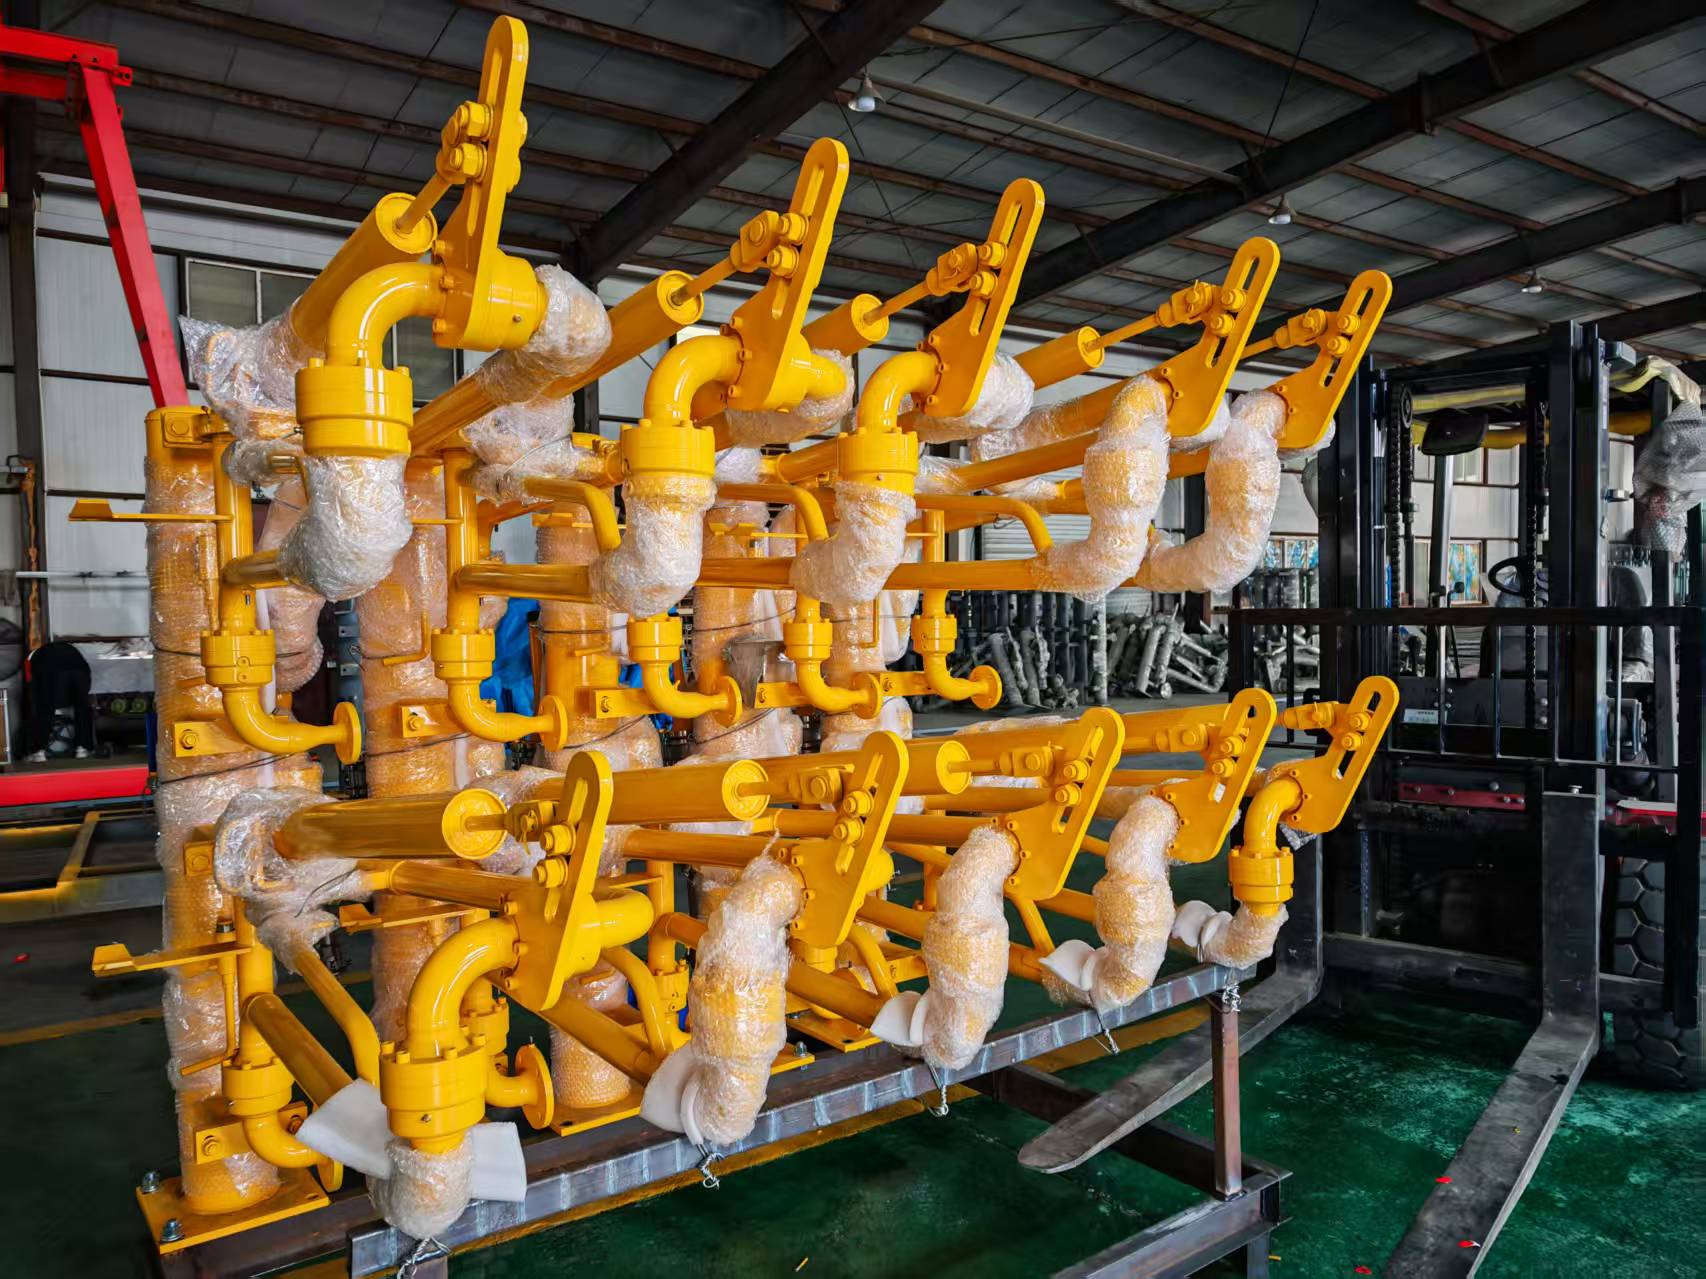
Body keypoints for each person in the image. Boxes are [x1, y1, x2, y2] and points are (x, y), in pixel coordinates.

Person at [24, 641, 94, 762]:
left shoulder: (30, 659)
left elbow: (32, 685)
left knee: (45, 709)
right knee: (82, 707)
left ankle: (39, 752)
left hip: (53, 672)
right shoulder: (64, 648)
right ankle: (82, 748)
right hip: (80, 671)